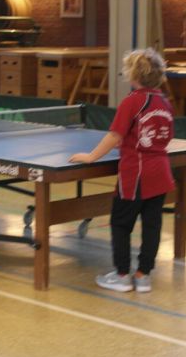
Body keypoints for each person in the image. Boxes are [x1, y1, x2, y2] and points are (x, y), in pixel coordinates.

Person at [69, 48, 174, 293]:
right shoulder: (165, 102)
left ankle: (122, 276)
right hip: (161, 173)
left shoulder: (132, 101)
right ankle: (143, 276)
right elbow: (161, 136)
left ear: (134, 75)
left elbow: (115, 135)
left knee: (120, 224)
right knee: (152, 225)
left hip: (136, 174)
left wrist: (91, 156)